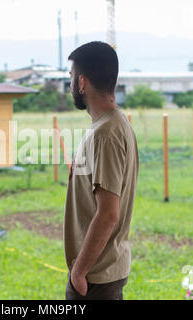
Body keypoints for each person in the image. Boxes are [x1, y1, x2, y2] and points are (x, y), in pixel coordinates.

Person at [64, 41, 139, 300]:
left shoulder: (106, 133)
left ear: (82, 82)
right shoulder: (110, 125)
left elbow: (108, 214)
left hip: (94, 279)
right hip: (99, 275)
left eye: (72, 77)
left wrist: (79, 273)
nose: (71, 83)